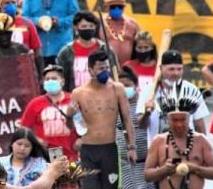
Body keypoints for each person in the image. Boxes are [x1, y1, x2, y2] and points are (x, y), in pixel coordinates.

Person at [68, 51, 135, 189]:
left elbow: (127, 119)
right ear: (91, 70)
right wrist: (69, 115)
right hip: (88, 150)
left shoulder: (117, 89)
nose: (105, 72)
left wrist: (131, 147)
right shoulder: (78, 93)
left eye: (106, 68)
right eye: (100, 69)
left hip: (110, 149)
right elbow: (72, 126)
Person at [143, 81, 213, 189]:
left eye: (182, 119)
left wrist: (194, 168)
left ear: (189, 118)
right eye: (174, 120)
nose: (179, 124)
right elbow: (147, 175)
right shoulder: (158, 141)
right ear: (167, 120)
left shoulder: (201, 140)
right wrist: (164, 169)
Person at [22, 0, 78, 65]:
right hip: (39, 50)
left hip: (62, 48)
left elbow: (76, 17)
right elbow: (25, 19)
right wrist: (38, 22)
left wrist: (59, 22)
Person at [18, 65, 78, 160]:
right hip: (48, 154)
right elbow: (23, 129)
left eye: (54, 78)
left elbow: (88, 122)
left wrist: (82, 139)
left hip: (73, 153)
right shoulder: (35, 103)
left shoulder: (73, 99)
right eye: (47, 79)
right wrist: (37, 140)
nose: (50, 81)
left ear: (62, 81)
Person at [56, 13, 106, 91]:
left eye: (91, 26)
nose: (88, 29)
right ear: (76, 28)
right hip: (75, 97)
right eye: (84, 26)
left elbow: (115, 74)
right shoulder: (66, 52)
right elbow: (60, 77)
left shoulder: (105, 49)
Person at [97, 0, 138, 67]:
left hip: (128, 71)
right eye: (113, 7)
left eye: (120, 7)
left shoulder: (133, 25)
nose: (117, 9)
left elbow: (140, 47)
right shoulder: (99, 23)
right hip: (106, 68)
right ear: (106, 7)